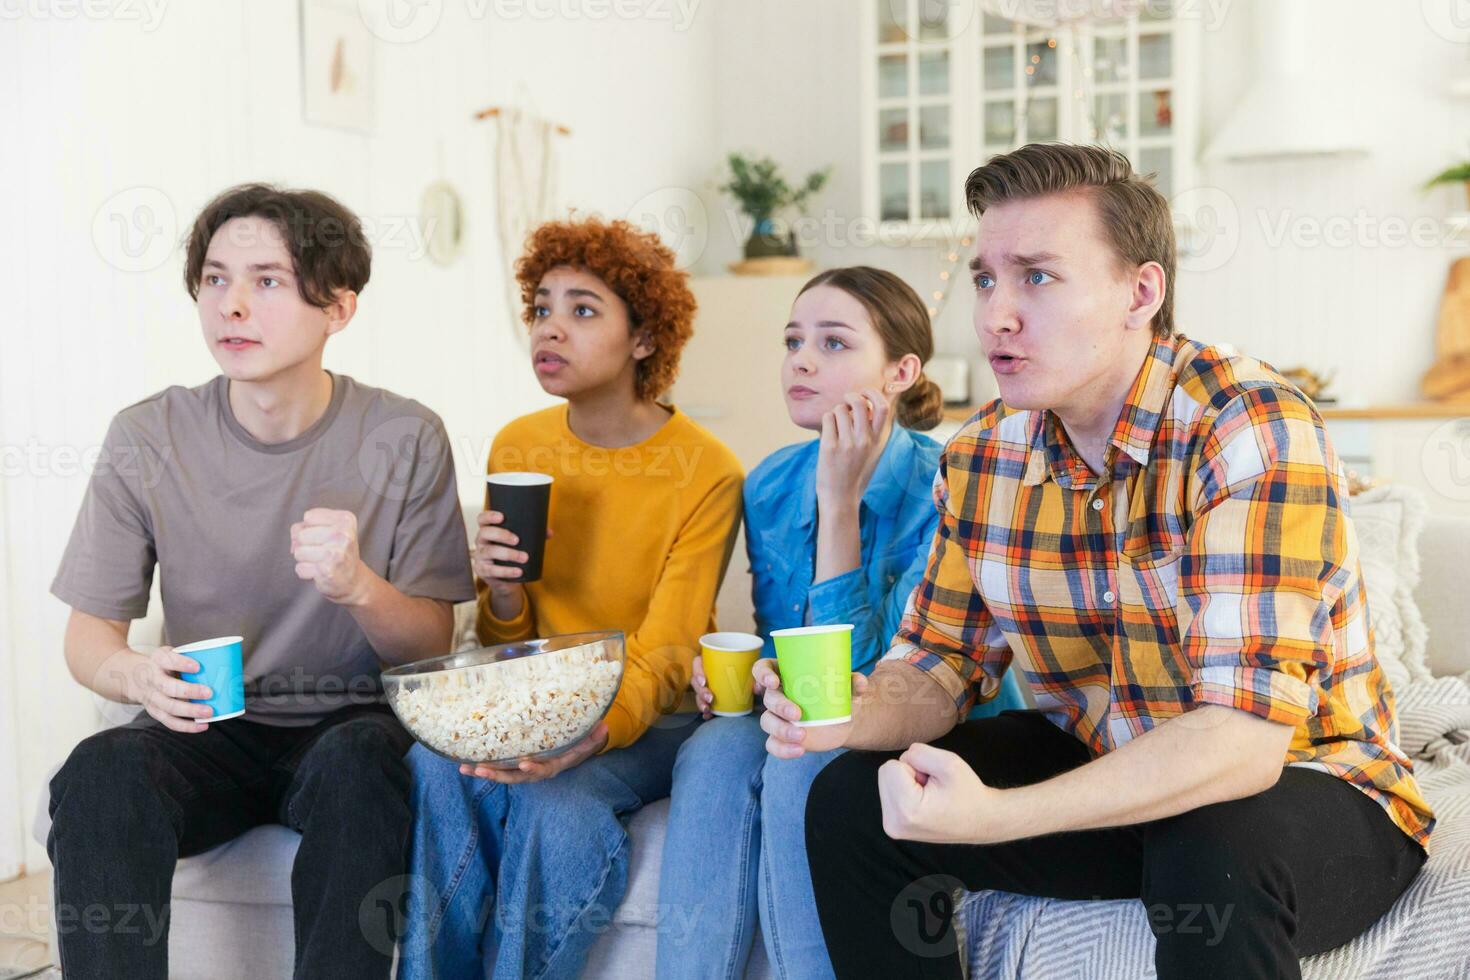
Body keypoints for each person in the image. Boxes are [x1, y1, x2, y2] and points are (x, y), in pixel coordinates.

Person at [761, 144, 1433, 979]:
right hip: (1106, 768)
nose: (996, 314)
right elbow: (935, 668)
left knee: (1210, 843)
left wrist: (996, 816)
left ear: (1139, 293)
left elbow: (1243, 743)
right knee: (854, 799)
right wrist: (848, 714)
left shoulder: (1246, 424)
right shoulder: (981, 458)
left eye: (1037, 277)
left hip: (1306, 784)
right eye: (984, 279)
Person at [46, 183, 476, 980]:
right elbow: (87, 638)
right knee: (98, 771)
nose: (231, 306)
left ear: (338, 307)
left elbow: (429, 643)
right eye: (215, 279)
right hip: (209, 727)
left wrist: (356, 586)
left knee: (359, 772)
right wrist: (136, 672)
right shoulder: (148, 435)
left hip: (349, 725)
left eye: (267, 281)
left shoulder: (403, 435)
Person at [656, 266, 1027, 979]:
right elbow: (788, 648)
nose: (800, 359)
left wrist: (839, 507)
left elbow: (872, 680)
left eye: (833, 343)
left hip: (919, 718)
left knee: (809, 770)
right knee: (711, 751)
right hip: (818, 710)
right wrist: (746, 668)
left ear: (901, 371)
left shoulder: (950, 480)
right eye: (794, 340)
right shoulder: (767, 483)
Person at [400, 217, 745, 980]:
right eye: (542, 308)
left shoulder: (705, 469)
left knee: (558, 807)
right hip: (533, 695)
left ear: (645, 339)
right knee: (432, 765)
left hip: (649, 717)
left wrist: (587, 735)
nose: (551, 327)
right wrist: (502, 589)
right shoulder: (518, 445)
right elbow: (503, 640)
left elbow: (667, 650)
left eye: (584, 310)